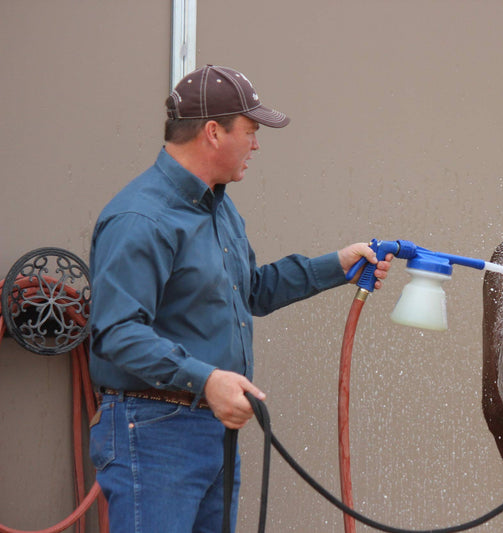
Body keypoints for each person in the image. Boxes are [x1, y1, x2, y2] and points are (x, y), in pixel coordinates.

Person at [88, 64, 392, 532]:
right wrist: (207, 380)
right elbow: (117, 333)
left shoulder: (220, 206)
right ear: (213, 132)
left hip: (211, 428)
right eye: (250, 131)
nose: (256, 144)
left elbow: (252, 290)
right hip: (151, 433)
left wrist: (336, 265)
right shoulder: (141, 218)